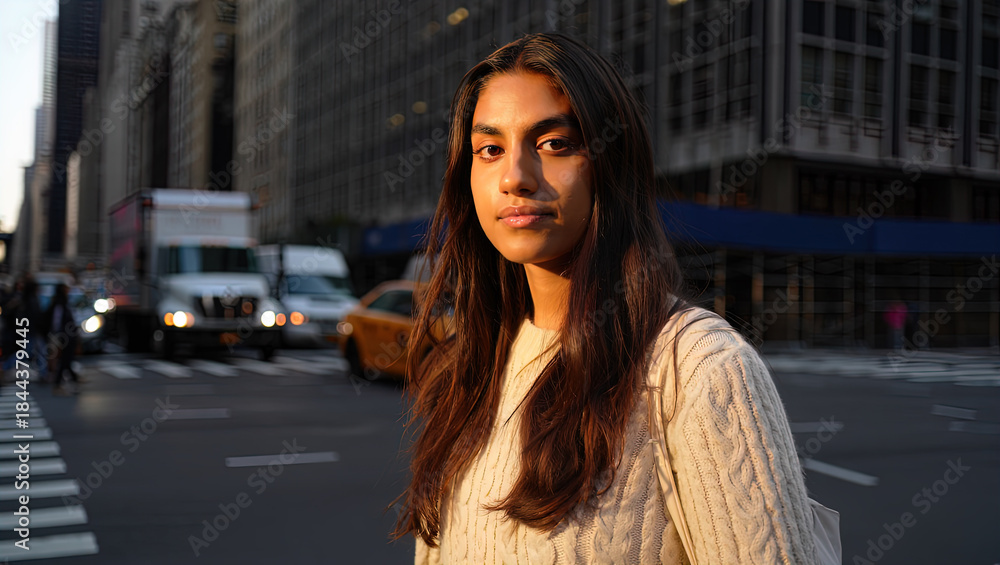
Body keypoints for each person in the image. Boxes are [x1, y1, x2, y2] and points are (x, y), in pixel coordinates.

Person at [393, 34, 818, 564]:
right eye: (490, 150)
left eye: (554, 144)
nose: (515, 178)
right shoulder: (473, 365)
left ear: (610, 165)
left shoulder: (698, 368)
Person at [46, 283, 82, 395]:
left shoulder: (63, 303)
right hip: (65, 337)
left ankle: (70, 382)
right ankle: (64, 383)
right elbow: (56, 322)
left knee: (66, 361)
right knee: (65, 361)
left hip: (66, 336)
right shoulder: (60, 304)